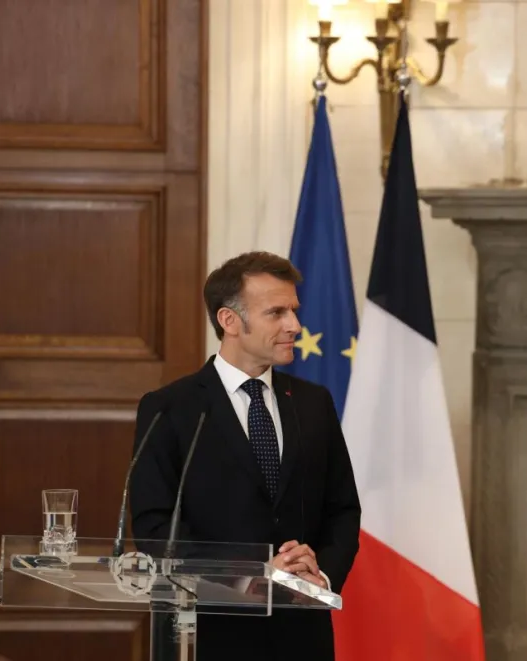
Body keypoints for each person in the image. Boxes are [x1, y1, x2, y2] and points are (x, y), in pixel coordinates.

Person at [129, 251, 361, 661]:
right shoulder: (170, 408)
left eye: (293, 310)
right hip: (206, 630)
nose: (294, 325)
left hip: (300, 634)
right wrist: (254, 572)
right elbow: (154, 528)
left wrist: (318, 575)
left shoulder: (312, 403)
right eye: (276, 312)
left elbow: (342, 508)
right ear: (229, 320)